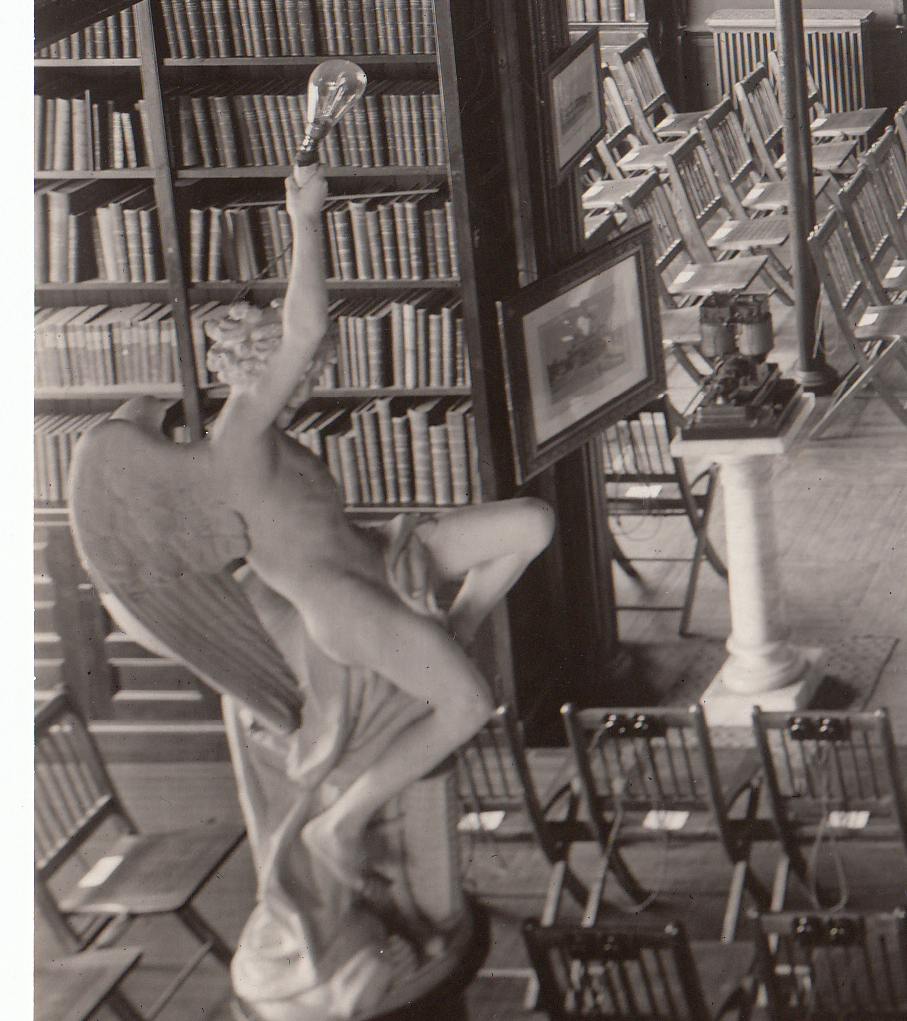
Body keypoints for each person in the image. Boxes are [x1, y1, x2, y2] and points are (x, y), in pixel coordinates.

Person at [76, 160, 555, 889]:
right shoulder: (236, 442)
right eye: (301, 377)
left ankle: (452, 628)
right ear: (259, 372)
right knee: (467, 704)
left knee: (533, 522)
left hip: (384, 553)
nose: (309, 384)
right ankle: (343, 822)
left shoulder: (270, 436)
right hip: (347, 607)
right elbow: (304, 328)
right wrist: (304, 220)